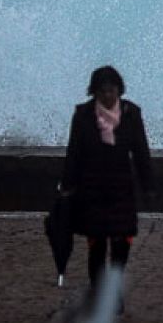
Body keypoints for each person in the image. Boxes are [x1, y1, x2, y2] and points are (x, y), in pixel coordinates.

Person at [60, 66, 155, 286]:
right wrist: (67, 186)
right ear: (94, 92)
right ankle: (99, 289)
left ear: (119, 90)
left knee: (122, 244)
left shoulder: (131, 114)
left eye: (112, 90)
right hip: (92, 189)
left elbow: (141, 152)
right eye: (102, 91)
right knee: (97, 245)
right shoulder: (83, 115)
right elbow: (74, 153)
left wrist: (148, 186)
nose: (108, 96)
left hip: (122, 188)